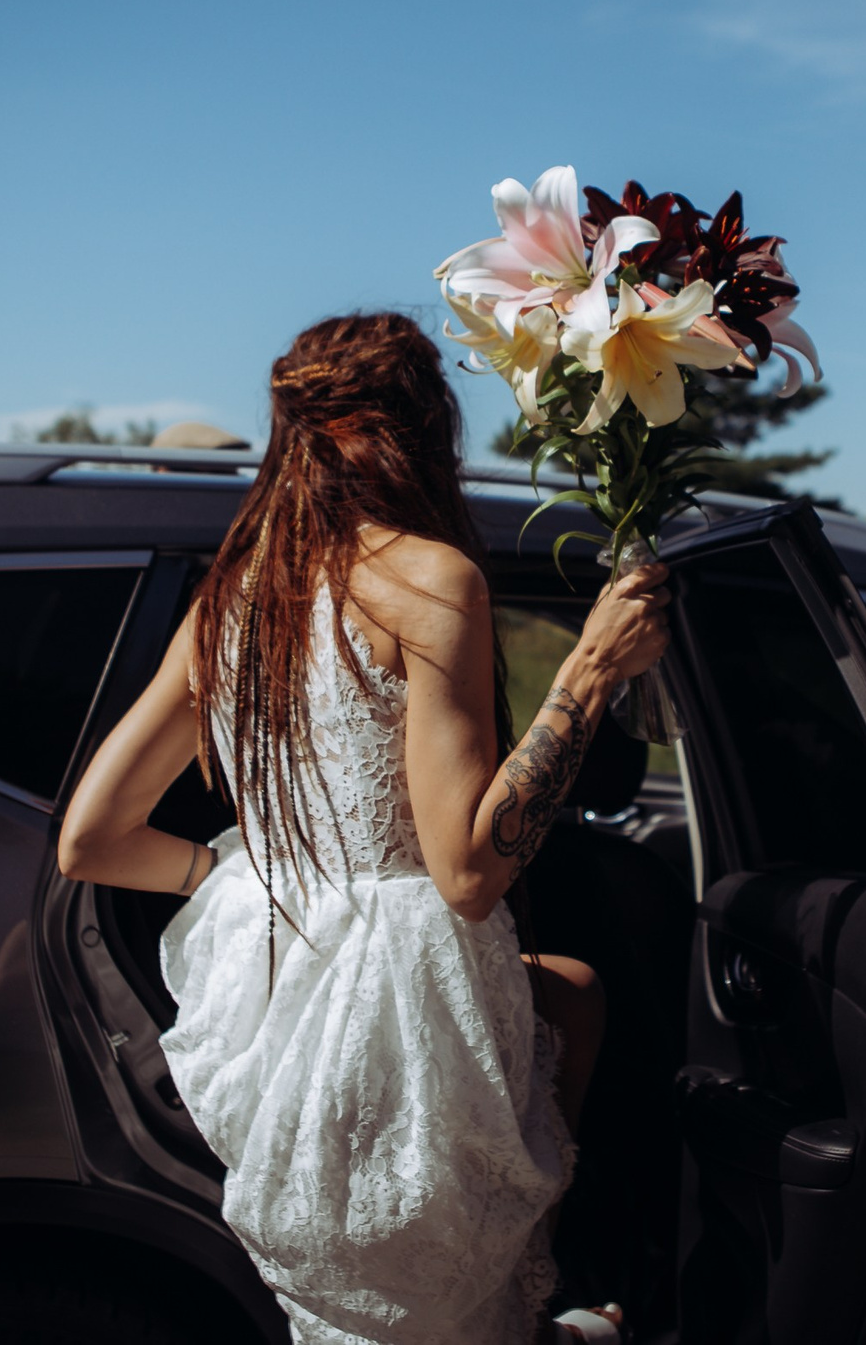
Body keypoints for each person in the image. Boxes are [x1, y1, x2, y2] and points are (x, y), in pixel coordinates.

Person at [56, 311, 662, 1345]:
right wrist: (591, 671)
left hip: (271, 1012)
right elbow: (467, 873)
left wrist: (250, 882)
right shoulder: (432, 580)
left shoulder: (232, 598)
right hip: (397, 1016)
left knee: (569, 995)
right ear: (419, 428)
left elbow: (93, 841)